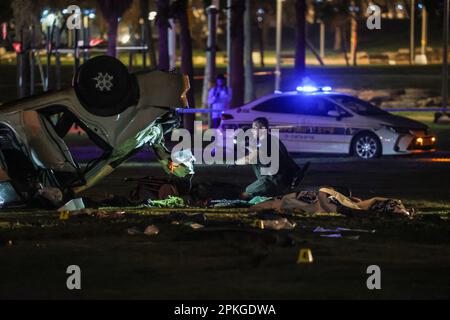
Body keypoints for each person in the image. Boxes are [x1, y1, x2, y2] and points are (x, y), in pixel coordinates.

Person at [239, 117, 310, 200]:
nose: (252, 130)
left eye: (254, 127)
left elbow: (251, 158)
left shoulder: (267, 141)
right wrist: (247, 146)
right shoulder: (272, 139)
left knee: (246, 194)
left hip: (275, 180)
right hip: (283, 179)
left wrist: (235, 162)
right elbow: (259, 153)